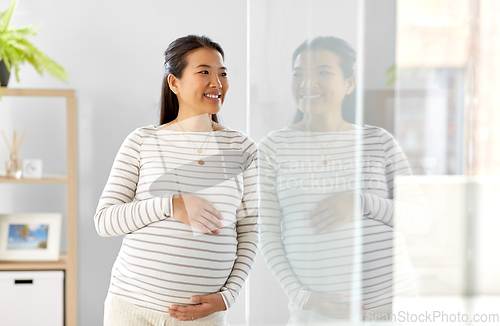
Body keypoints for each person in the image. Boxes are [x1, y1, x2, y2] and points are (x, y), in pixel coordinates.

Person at [258, 36, 430, 324]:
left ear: (349, 83)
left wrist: (362, 203)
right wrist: (302, 297)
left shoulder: (378, 141)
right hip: (316, 315)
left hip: (392, 310)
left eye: (323, 72)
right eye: (298, 74)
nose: (307, 83)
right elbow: (267, 236)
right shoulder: (272, 147)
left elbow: (420, 219)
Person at [94, 35, 258, 326]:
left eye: (222, 73)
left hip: (202, 317)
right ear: (174, 83)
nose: (217, 82)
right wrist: (171, 205)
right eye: (204, 71)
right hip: (131, 309)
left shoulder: (242, 148)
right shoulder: (143, 141)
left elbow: (250, 229)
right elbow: (105, 221)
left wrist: (228, 296)